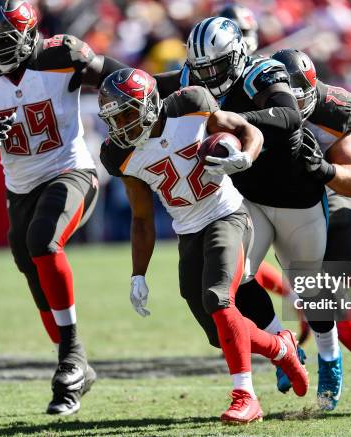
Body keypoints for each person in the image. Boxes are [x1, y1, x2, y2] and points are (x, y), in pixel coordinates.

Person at [98, 68, 308, 424]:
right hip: (188, 231)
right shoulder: (118, 155)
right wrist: (138, 274)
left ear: (149, 105)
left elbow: (246, 130)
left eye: (127, 112)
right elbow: (142, 219)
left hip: (227, 215)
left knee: (218, 299)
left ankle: (245, 397)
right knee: (220, 335)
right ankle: (281, 346)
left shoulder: (190, 106)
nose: (120, 123)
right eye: (114, 116)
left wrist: (247, 156)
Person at [153, 16, 343, 410]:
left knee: (311, 289)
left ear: (237, 55)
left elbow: (288, 115)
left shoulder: (263, 71)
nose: (206, 75)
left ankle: (329, 356)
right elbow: (150, 87)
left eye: (215, 67)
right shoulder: (192, 73)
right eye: (200, 68)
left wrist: (232, 123)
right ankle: (281, 341)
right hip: (247, 197)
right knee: (236, 281)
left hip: (296, 194)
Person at [0, 0, 125, 415]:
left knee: (43, 241)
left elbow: (122, 77)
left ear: (28, 35)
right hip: (21, 188)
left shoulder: (60, 56)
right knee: (33, 270)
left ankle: (71, 357)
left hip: (71, 171)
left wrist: (167, 89)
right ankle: (76, 368)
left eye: (4, 41)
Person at [249, 49, 351, 411]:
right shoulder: (252, 97)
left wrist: (324, 170)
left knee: (335, 270)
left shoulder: (331, 109)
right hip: (285, 201)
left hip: (330, 191)